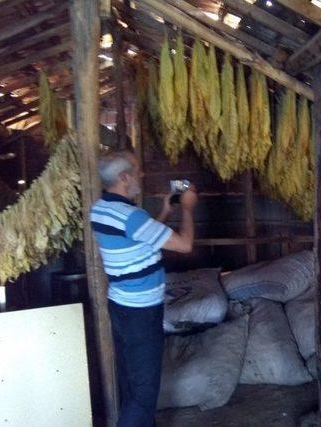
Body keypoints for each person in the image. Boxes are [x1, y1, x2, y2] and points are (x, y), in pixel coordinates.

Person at [90, 150, 197, 427]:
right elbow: (185, 245)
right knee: (143, 393)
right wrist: (187, 207)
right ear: (124, 177)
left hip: (120, 306)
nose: (143, 175)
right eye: (137, 171)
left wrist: (164, 211)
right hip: (141, 312)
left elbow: (141, 239)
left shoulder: (100, 210)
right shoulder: (132, 217)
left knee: (132, 383)